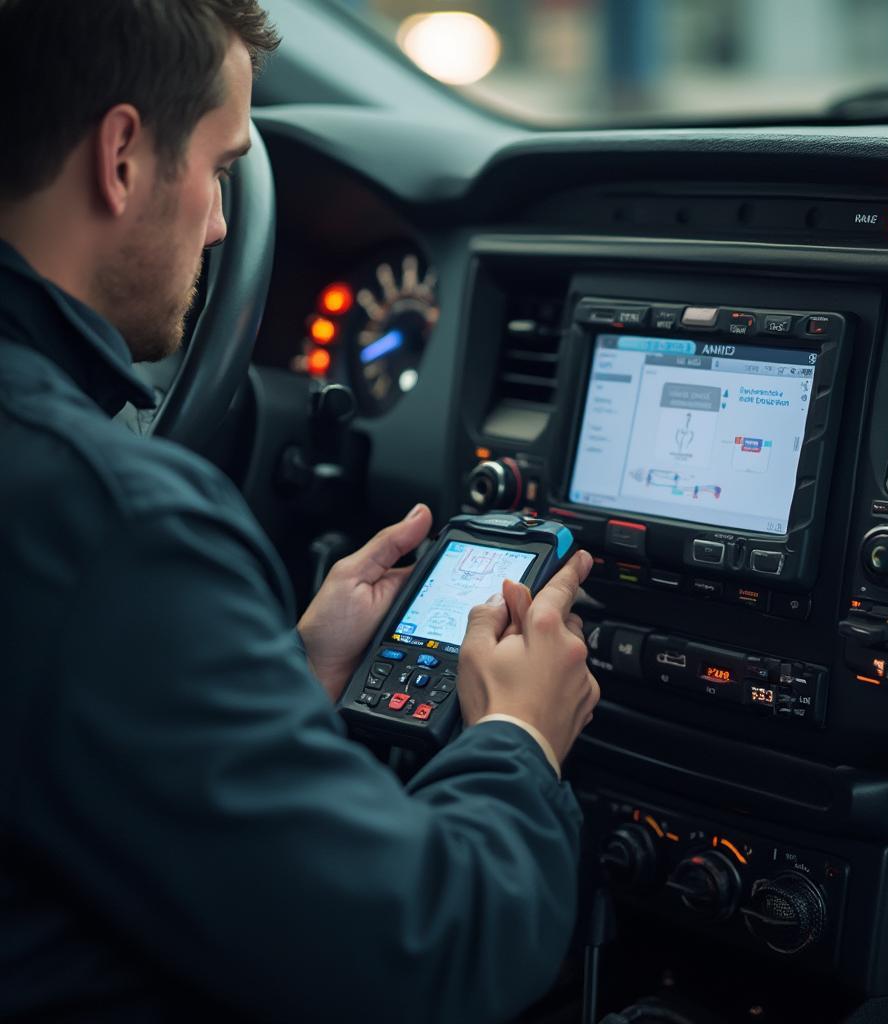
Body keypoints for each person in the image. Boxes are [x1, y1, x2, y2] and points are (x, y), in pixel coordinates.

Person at [0, 2, 600, 1021]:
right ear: (122, 156)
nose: (224, 220)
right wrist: (517, 740)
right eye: (222, 165)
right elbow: (425, 950)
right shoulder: (108, 522)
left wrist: (281, 678)